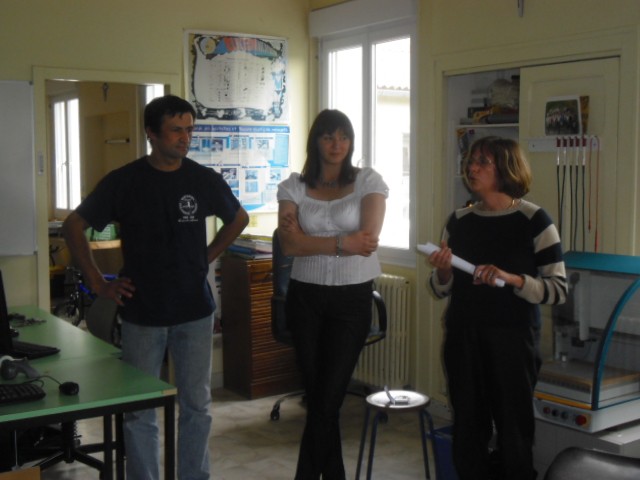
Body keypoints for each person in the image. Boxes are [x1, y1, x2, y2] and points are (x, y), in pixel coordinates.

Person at [62, 94, 249, 480]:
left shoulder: (201, 179)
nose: (185, 138)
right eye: (176, 130)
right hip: (142, 312)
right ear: (151, 133)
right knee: (139, 408)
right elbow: (73, 226)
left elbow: (238, 218)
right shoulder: (125, 181)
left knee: (197, 405)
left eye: (189, 130)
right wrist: (97, 282)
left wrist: (207, 255)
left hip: (194, 310)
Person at [426, 136, 567, 480]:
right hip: (464, 337)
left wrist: (513, 279)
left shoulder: (535, 220)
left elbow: (557, 290)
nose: (471, 168)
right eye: (470, 161)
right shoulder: (459, 221)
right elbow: (440, 288)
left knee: (514, 432)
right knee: (468, 429)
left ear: (506, 168)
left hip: (512, 342)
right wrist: (443, 271)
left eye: (482, 162)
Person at [277, 109, 387, 479]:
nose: (337, 144)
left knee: (326, 400)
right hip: (305, 298)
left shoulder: (368, 181)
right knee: (320, 397)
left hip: (351, 301)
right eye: (328, 136)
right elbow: (289, 245)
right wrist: (342, 243)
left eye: (344, 136)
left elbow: (366, 242)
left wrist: (310, 239)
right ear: (316, 141)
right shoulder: (293, 186)